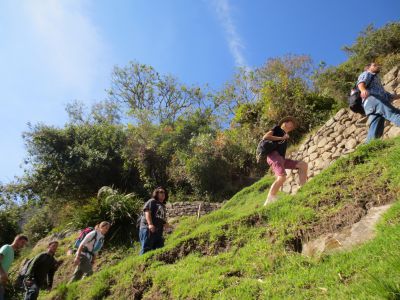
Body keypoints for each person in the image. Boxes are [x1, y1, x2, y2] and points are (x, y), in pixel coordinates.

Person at [263, 117, 308, 206]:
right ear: (285, 123)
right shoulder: (277, 129)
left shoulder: (285, 135)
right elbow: (265, 137)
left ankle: (303, 189)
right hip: (273, 156)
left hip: (281, 158)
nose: (293, 126)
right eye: (291, 123)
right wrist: (281, 137)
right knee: (282, 177)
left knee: (303, 165)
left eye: (293, 125)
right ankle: (269, 200)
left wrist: (284, 137)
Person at [358, 62, 400, 142]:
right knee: (394, 113)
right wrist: (363, 90)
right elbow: (360, 83)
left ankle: (369, 147)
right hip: (373, 99)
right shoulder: (367, 73)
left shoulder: (377, 82)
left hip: (371, 104)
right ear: (368, 68)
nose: (377, 66)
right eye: (374, 65)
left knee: (376, 127)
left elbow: (389, 96)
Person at [139, 187, 169, 255]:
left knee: (159, 249)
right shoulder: (152, 201)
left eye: (164, 192)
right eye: (161, 192)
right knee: (146, 249)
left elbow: (161, 219)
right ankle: (143, 264)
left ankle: (157, 264)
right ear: (156, 193)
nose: (163, 194)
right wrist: (150, 224)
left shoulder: (163, 206)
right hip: (147, 229)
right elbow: (147, 212)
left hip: (158, 231)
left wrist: (167, 226)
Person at [0, 235, 28, 300]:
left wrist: (5, 279)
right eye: (22, 242)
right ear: (17, 240)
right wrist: (2, 273)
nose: (23, 245)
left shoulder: (12, 253)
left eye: (24, 244)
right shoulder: (6, 247)